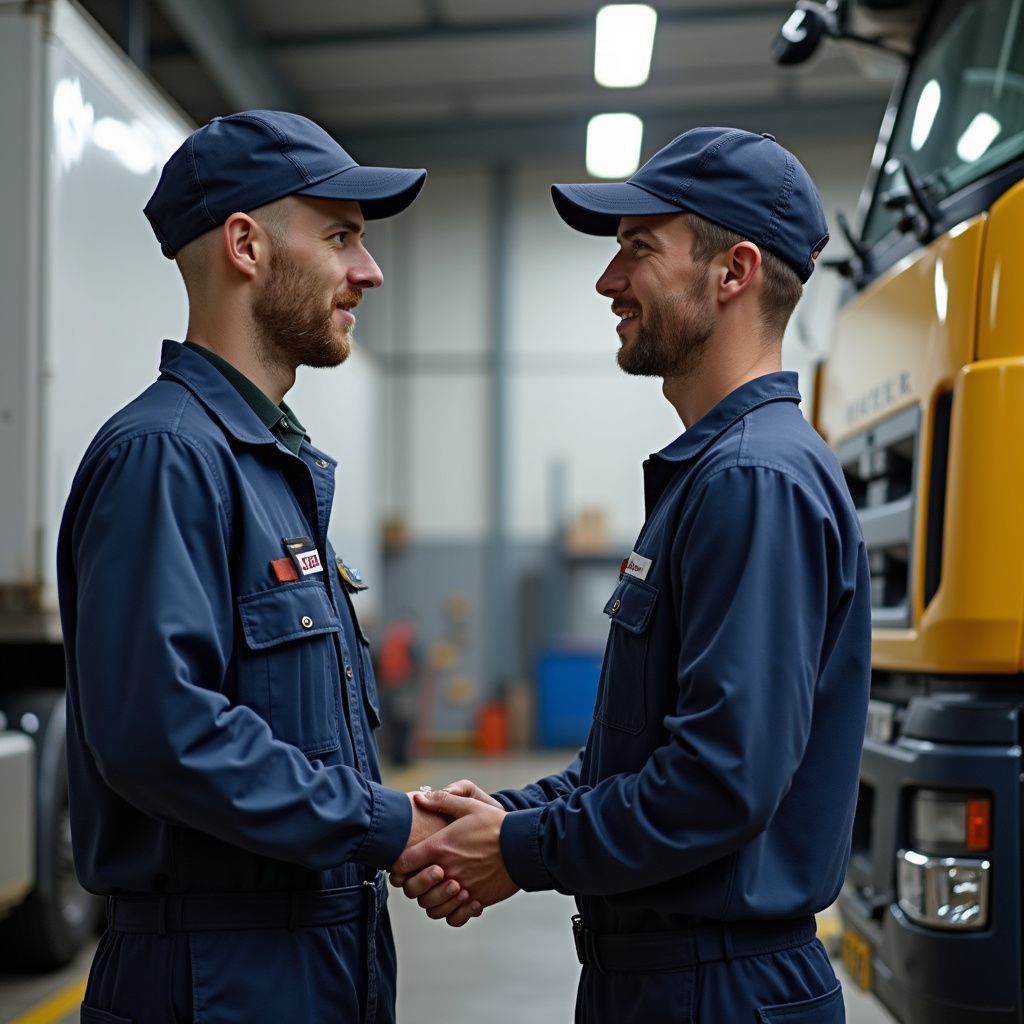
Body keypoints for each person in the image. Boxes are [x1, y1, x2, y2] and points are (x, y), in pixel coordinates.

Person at [392, 127, 871, 1023]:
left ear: (733, 272)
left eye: (638, 251)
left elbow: (718, 782)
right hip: (670, 979)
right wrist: (499, 814)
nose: (610, 283)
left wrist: (521, 848)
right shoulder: (720, 475)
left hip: (716, 989)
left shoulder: (752, 481)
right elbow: (640, 754)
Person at [57, 110, 479, 1024]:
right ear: (245, 245)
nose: (368, 272)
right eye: (340, 238)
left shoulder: (269, 468)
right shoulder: (166, 457)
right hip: (216, 980)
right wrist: (388, 825)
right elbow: (163, 734)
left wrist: (391, 815)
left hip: (310, 957)